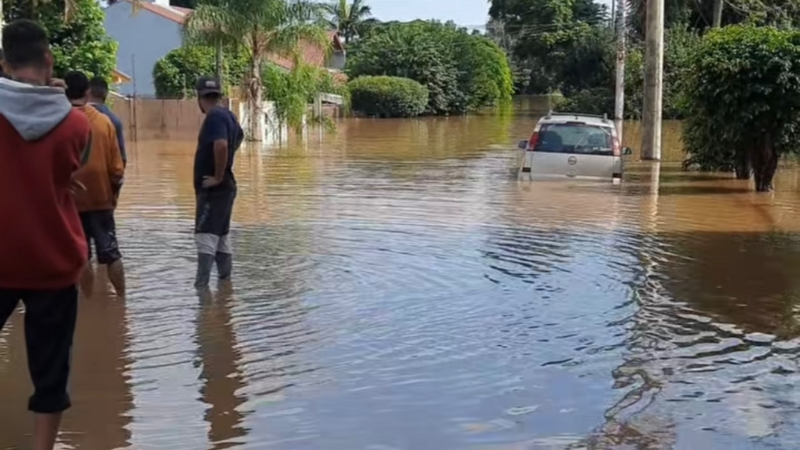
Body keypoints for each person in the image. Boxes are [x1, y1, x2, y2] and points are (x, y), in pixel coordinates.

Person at [0, 19, 91, 450]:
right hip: (53, 260)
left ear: (4, 63)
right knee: (50, 371)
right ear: (49, 59)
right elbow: (63, 173)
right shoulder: (77, 125)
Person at [65, 70, 127, 297]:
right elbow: (117, 170)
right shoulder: (105, 122)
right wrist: (113, 196)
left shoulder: (58, 122)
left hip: (70, 203)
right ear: (88, 92)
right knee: (111, 254)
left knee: (81, 256)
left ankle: (88, 301)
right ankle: (122, 300)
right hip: (101, 200)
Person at [194, 76, 244, 288]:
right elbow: (239, 137)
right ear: (219, 95)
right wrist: (225, 167)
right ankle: (225, 287)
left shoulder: (214, 116)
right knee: (222, 237)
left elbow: (221, 145)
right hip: (226, 188)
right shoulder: (228, 115)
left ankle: (202, 289)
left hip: (215, 189)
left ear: (199, 97)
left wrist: (217, 175)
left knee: (205, 237)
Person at [88, 76, 127, 168]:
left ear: (88, 92)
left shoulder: (77, 118)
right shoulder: (114, 121)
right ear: (106, 95)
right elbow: (121, 159)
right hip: (105, 178)